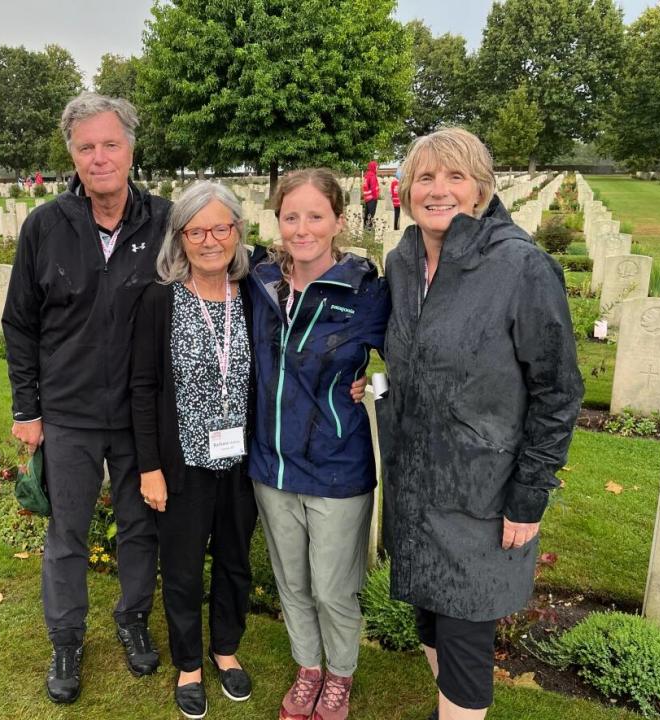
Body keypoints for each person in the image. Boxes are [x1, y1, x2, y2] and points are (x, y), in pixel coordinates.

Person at [380, 127, 583, 720]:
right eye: (425, 177)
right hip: (416, 485)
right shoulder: (403, 260)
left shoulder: (520, 267)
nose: (438, 189)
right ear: (406, 189)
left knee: (465, 642)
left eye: (455, 176)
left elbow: (558, 391)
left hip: (482, 495)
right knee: (430, 626)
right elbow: (405, 349)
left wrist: (528, 496)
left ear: (481, 189)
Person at [1, 92, 171, 704]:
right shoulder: (46, 227)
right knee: (67, 533)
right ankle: (67, 637)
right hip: (68, 414)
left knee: (139, 529)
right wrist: (28, 408)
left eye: (110, 144)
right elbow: (20, 322)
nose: (99, 157)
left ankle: (131, 619)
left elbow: (215, 271)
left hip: (139, 414)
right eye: (85, 147)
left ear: (131, 148)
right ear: (71, 155)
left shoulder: (165, 223)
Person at [249, 169, 390, 720]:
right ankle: (309, 669)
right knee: (293, 582)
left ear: (338, 220)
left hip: (337, 467)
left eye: (314, 216)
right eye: (291, 216)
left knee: (334, 589)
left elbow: (415, 362)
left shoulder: (366, 292)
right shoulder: (259, 282)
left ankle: (340, 676)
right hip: (271, 465)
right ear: (277, 219)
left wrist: (372, 389)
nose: (301, 228)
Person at [131, 181, 258, 719]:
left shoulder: (253, 294)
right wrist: (150, 468)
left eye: (221, 227)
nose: (210, 240)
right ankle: (189, 664)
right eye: (197, 230)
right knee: (182, 567)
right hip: (182, 463)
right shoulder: (160, 300)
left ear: (237, 232)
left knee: (234, 560)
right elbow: (142, 388)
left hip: (242, 463)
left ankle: (224, 648)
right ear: (180, 238)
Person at [361, 160, 380, 229]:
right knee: (371, 214)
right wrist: (375, 197)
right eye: (376, 167)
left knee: (367, 213)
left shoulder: (366, 175)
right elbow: (373, 187)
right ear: (373, 167)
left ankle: (365, 227)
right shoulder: (372, 176)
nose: (377, 169)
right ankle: (369, 228)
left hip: (367, 198)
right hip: (372, 198)